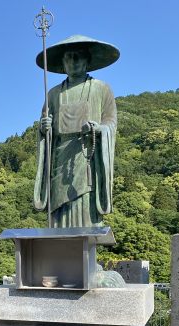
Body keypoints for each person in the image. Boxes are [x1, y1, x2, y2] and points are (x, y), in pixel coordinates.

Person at [34, 35, 119, 228]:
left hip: (87, 157)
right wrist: (43, 128)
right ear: (63, 63)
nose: (73, 61)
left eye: (78, 56)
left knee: (84, 209)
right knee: (59, 214)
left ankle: (84, 252)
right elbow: (44, 126)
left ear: (87, 60)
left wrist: (100, 129)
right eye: (68, 57)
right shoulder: (54, 93)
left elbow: (111, 121)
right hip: (60, 159)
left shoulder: (101, 88)